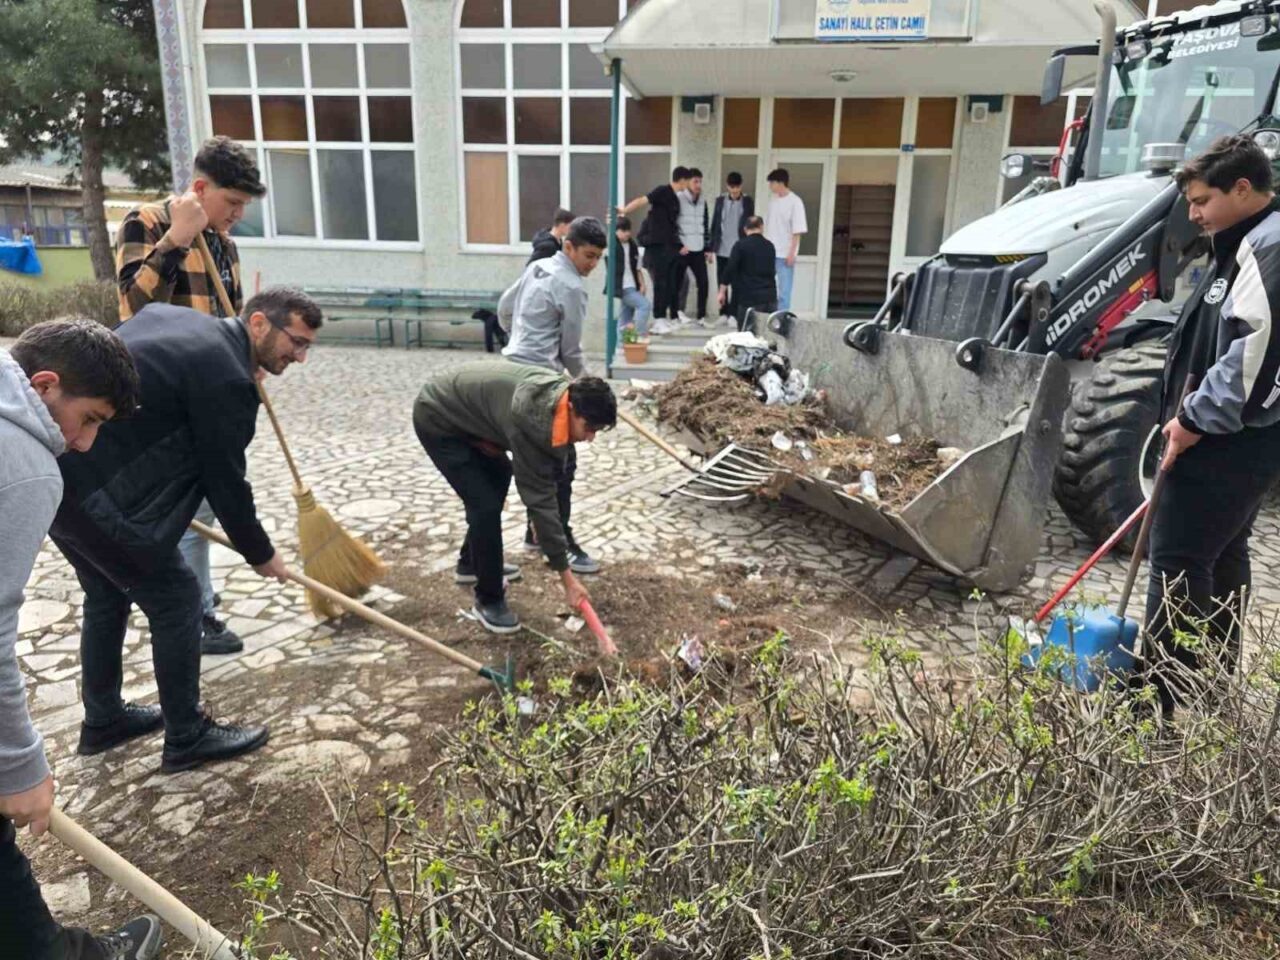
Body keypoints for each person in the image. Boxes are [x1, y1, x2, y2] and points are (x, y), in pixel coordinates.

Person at [49, 287, 322, 774]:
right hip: (98, 495)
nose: (299, 358)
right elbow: (225, 481)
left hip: (64, 479)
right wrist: (260, 553)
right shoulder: (227, 378)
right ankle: (186, 736)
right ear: (258, 323)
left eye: (306, 348)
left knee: (108, 594)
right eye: (296, 342)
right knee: (177, 596)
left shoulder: (184, 323)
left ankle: (104, 720)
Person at [1, 318, 161, 959]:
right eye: (89, 419)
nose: (87, 444)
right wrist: (20, 765)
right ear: (44, 385)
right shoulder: (25, 466)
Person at [116, 135, 268, 657]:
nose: (237, 215)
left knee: (202, 500)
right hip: (162, 397)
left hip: (213, 390)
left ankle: (196, 595)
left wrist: (251, 367)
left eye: (243, 205)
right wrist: (177, 240)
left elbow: (236, 319)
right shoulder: (148, 222)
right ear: (200, 188)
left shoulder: (225, 244)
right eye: (231, 203)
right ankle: (197, 610)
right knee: (188, 505)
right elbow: (133, 309)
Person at [1146, 135, 1280, 715]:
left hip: (1227, 439)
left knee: (1174, 564)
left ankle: (1150, 709)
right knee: (1222, 556)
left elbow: (1257, 352)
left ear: (1243, 189)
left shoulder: (1268, 246)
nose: (1193, 213)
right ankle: (1211, 687)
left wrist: (1193, 420)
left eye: (1202, 200)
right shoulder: (1240, 243)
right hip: (1235, 439)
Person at [413, 363, 615, 634]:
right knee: (483, 505)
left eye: (597, 431)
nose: (590, 437)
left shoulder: (563, 397)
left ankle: (471, 563)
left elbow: (558, 469)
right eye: (589, 428)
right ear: (571, 409)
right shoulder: (533, 420)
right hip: (438, 416)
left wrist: (543, 520)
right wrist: (568, 580)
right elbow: (540, 499)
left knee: (499, 473)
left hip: (469, 413)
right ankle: (489, 599)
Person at [500, 217, 608, 576]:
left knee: (539, 461)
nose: (592, 264)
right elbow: (571, 351)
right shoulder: (572, 286)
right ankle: (559, 544)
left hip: (511, 372)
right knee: (562, 465)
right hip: (539, 382)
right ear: (569, 246)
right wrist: (590, 388)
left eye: (598, 258)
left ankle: (535, 534)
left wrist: (518, 341)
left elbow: (504, 308)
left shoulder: (538, 267)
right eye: (588, 255)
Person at [618, 166, 691, 331]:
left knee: (671, 283)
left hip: (670, 247)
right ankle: (658, 318)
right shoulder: (662, 191)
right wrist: (625, 211)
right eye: (687, 181)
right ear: (682, 180)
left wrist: (679, 245)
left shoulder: (675, 199)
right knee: (660, 283)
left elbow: (672, 226)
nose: (687, 184)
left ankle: (666, 317)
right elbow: (642, 200)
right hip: (656, 247)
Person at [718, 216, 777, 333]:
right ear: (761, 227)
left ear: (745, 229)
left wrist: (722, 291)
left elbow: (730, 268)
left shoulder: (740, 246)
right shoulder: (770, 246)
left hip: (749, 299)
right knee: (766, 336)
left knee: (747, 338)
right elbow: (772, 271)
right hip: (769, 298)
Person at [711, 171, 755, 326]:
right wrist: (710, 248)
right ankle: (722, 313)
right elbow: (715, 223)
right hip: (721, 247)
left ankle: (733, 314)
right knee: (722, 280)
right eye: (731, 187)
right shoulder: (720, 200)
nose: (734, 190)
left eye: (737, 187)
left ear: (741, 186)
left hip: (739, 248)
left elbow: (750, 224)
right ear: (727, 186)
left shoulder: (748, 201)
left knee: (737, 282)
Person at [764, 168, 808, 312]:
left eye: (772, 183)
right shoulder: (773, 201)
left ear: (780, 182)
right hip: (770, 252)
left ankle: (782, 321)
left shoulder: (795, 202)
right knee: (767, 289)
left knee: (784, 291)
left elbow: (797, 231)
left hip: (784, 254)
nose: (770, 186)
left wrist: (792, 253)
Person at [675, 168, 711, 326]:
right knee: (679, 282)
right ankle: (677, 313)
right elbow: (672, 223)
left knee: (703, 282)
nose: (698, 185)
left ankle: (701, 316)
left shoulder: (703, 200)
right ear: (688, 181)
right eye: (695, 181)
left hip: (698, 248)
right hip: (683, 248)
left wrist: (708, 248)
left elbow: (705, 224)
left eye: (700, 181)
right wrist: (678, 244)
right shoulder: (678, 198)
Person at [609, 216, 652, 339]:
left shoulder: (632, 245)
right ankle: (639, 336)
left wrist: (642, 284)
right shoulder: (613, 245)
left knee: (625, 318)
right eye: (623, 230)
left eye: (628, 230)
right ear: (615, 231)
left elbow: (637, 267)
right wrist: (609, 223)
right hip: (622, 287)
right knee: (644, 305)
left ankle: (621, 346)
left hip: (632, 285)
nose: (627, 233)